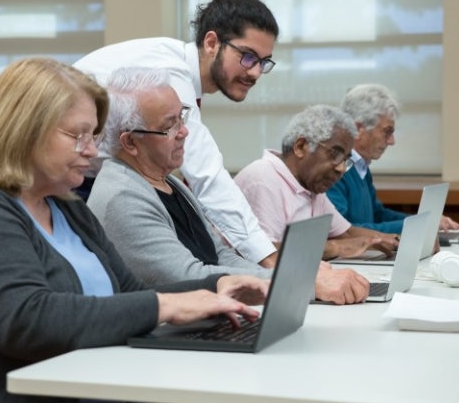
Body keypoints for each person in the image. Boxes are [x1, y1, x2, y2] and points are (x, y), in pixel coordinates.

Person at [0, 58, 268, 403]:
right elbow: (27, 321)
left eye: (93, 136)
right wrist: (167, 305)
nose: (92, 151)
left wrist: (213, 288)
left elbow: (129, 295)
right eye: (79, 136)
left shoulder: (65, 206)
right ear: (24, 131)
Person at [87, 67, 370, 304]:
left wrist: (295, 276)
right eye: (169, 125)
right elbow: (188, 276)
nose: (184, 132)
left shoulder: (171, 183)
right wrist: (300, 283)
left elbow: (220, 255)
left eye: (182, 117)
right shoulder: (121, 198)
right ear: (131, 142)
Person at [74, 0, 280, 267]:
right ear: (211, 43)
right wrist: (272, 261)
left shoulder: (176, 67)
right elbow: (207, 176)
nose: (256, 72)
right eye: (248, 57)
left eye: (264, 62)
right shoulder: (168, 72)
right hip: (68, 186)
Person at [234, 105, 399, 260]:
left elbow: (346, 233)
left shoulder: (310, 184)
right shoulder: (263, 179)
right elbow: (265, 254)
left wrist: (388, 240)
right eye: (335, 154)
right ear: (300, 147)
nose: (341, 168)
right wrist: (334, 248)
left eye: (346, 160)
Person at [326, 84, 459, 237]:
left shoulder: (361, 166)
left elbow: (378, 214)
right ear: (358, 129)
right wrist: (417, 225)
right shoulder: (334, 169)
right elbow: (344, 231)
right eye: (387, 132)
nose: (392, 141)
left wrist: (422, 221)